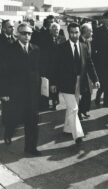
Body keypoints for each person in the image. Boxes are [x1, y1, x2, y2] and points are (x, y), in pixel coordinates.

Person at [50, 23, 100, 145]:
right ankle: (78, 135)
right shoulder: (61, 48)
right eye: (72, 32)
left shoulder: (83, 46)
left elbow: (89, 64)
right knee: (74, 108)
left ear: (79, 32)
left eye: (76, 32)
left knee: (73, 107)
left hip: (80, 82)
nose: (74, 35)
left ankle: (67, 129)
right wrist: (53, 83)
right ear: (68, 33)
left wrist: (95, 79)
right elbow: (54, 67)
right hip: (66, 83)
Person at [4, 23, 41, 156]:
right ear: (17, 34)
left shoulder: (35, 49)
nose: (27, 36)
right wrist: (4, 92)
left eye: (29, 33)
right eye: (24, 33)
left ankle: (31, 147)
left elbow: (38, 70)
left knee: (32, 121)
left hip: (32, 93)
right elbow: (3, 73)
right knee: (14, 117)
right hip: (15, 92)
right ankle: (8, 132)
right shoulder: (9, 50)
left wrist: (41, 89)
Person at [78, 23, 94, 120]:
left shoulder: (88, 42)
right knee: (81, 93)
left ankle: (84, 110)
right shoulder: (78, 41)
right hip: (80, 72)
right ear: (85, 31)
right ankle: (79, 112)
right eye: (90, 31)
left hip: (87, 72)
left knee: (87, 93)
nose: (92, 33)